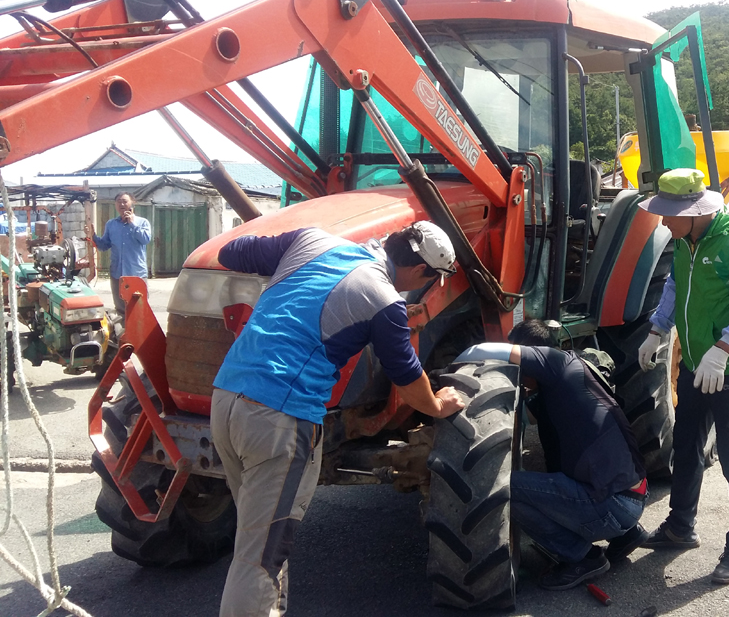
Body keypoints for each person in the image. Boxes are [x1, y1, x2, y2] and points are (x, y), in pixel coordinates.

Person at [209, 221, 466, 617]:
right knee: (257, 559)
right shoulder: (384, 300)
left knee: (261, 538)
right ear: (421, 273)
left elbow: (230, 252)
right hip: (280, 418)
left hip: (226, 400)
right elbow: (406, 375)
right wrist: (435, 405)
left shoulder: (311, 240)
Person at [636, 167, 729, 584]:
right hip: (695, 365)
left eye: (670, 214)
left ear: (695, 211)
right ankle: (680, 526)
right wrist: (657, 329)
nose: (663, 221)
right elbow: (675, 288)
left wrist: (725, 347)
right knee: (686, 447)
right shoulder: (683, 242)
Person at [457, 319, 648, 590]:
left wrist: (450, 380)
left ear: (532, 355)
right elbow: (526, 419)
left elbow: (478, 350)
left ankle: (584, 557)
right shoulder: (572, 378)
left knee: (501, 488)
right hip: (632, 496)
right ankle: (627, 535)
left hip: (613, 506)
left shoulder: (555, 362)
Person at [89, 192, 151, 317]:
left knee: (139, 308)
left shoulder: (142, 222)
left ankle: (138, 336)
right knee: (121, 310)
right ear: (115, 205)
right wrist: (93, 236)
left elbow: (146, 239)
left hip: (136, 273)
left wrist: (132, 223)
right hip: (117, 274)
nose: (122, 204)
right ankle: (124, 334)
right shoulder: (111, 224)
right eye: (118, 201)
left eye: (125, 201)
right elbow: (103, 246)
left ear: (132, 203)